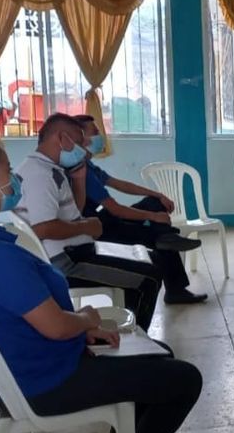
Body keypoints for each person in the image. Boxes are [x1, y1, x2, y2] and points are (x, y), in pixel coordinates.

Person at [0, 131, 202, 433]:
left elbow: (22, 317)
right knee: (185, 379)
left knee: (157, 355)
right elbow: (56, 327)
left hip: (26, 368)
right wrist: (85, 320)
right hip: (48, 382)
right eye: (8, 171)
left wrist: (81, 332)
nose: (15, 178)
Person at [13, 114, 163, 331]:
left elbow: (74, 210)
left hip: (77, 250)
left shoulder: (50, 168)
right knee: (148, 279)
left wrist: (79, 179)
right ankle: (136, 342)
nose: (83, 150)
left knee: (154, 258)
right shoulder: (40, 175)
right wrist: (86, 227)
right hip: (67, 261)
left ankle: (130, 333)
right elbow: (43, 228)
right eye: (78, 142)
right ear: (61, 138)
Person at [74, 116, 207, 304]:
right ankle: (175, 286)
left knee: (154, 205)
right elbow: (116, 209)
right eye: (94, 132)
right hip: (103, 228)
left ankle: (167, 237)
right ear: (80, 138)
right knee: (158, 235)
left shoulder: (88, 165)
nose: (100, 136)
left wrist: (157, 194)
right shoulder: (81, 172)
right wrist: (154, 216)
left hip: (108, 218)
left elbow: (121, 185)